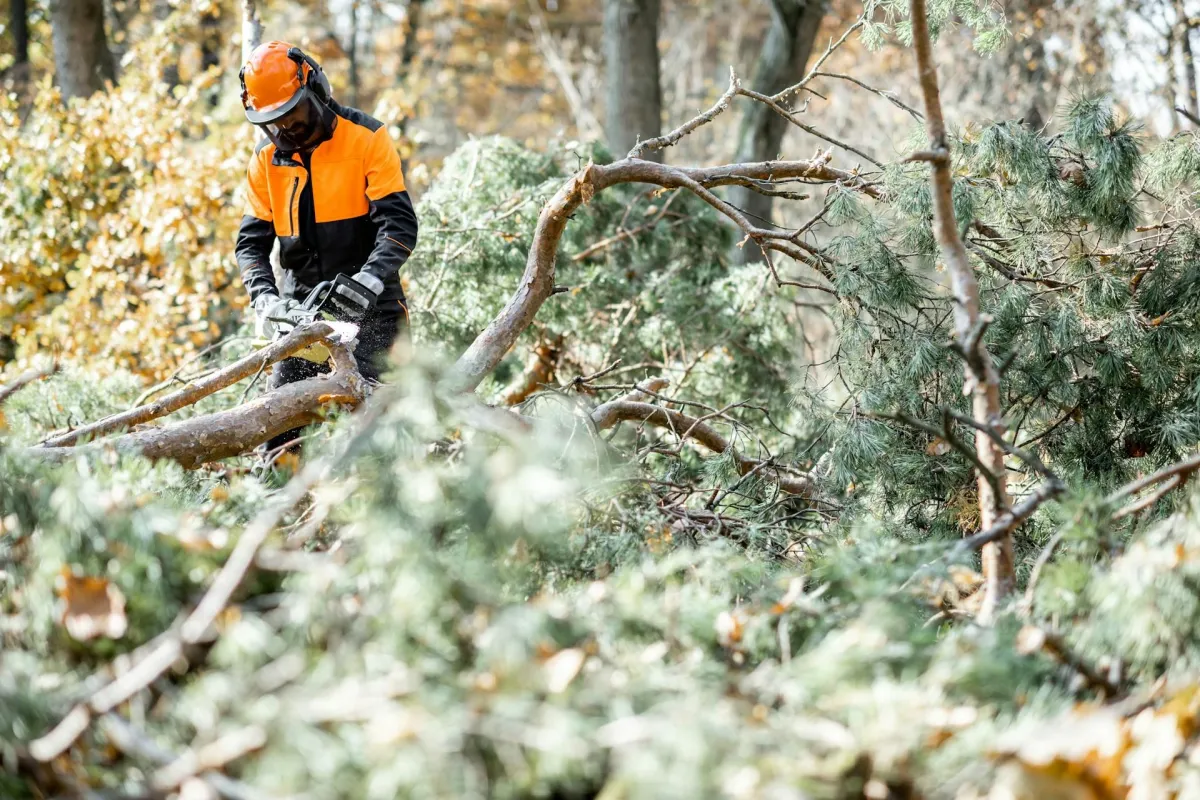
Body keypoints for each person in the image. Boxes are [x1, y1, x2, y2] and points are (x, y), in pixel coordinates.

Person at [234, 40, 418, 457]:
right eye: (274, 123)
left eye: (294, 116)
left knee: (383, 438)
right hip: (304, 314)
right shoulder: (265, 161)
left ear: (316, 88)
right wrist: (263, 297)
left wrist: (369, 279)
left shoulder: (367, 138)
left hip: (375, 308)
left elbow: (399, 224)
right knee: (280, 435)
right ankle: (282, 514)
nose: (287, 131)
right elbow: (251, 243)